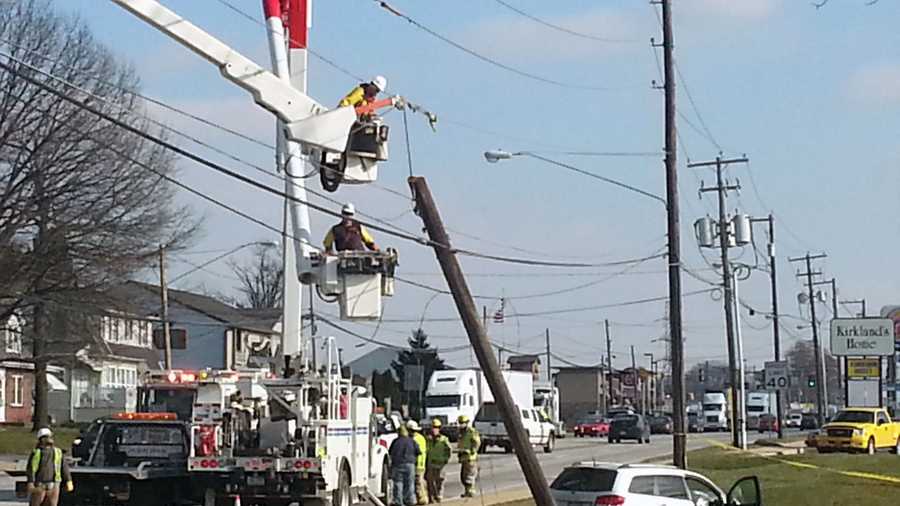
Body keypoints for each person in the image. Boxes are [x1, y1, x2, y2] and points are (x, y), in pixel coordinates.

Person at [26, 428, 72, 506]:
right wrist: (30, 482)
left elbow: (64, 467)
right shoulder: (37, 452)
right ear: (41, 439)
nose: (49, 439)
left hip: (54, 484)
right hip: (39, 485)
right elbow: (31, 469)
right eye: (46, 437)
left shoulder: (58, 452)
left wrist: (68, 480)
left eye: (50, 437)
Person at [388, 425, 419, 506]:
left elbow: (390, 452)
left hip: (397, 464)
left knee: (398, 483)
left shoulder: (395, 441)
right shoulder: (411, 441)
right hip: (410, 464)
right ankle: (409, 500)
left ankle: (398, 501)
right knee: (409, 483)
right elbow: (418, 451)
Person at [425, 419, 451, 503]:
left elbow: (449, 450)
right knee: (430, 482)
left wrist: (445, 460)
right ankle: (432, 498)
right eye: (433, 427)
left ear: (439, 428)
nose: (434, 429)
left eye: (436, 427)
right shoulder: (428, 440)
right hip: (431, 464)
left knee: (439, 481)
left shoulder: (444, 440)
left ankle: (439, 497)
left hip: (440, 464)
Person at [456, 415, 480, 498]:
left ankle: (470, 491)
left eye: (463, 423)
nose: (461, 424)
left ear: (467, 423)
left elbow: (476, 442)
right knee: (463, 477)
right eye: (460, 423)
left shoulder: (471, 431)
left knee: (469, 476)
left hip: (470, 458)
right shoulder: (461, 432)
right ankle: (467, 491)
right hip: (463, 457)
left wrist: (472, 451)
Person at [406, 421, 428, 505]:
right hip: (420, 463)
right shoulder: (420, 437)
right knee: (420, 482)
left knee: (418, 483)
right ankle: (422, 498)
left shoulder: (414, 439)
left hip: (417, 464)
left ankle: (422, 500)